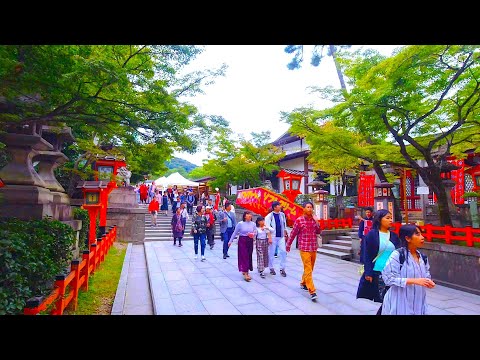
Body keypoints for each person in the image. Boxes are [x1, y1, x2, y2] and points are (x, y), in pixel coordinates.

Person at [381, 224, 435, 315]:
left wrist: (428, 282)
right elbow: (388, 279)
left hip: (419, 302)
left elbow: (426, 276)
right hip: (399, 302)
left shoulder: (423, 257)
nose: (422, 237)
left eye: (421, 234)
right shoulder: (397, 255)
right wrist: (414, 281)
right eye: (417, 234)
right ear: (408, 238)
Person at [356, 209, 401, 313]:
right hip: (378, 272)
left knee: (391, 299)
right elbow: (366, 255)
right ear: (379, 220)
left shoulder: (394, 236)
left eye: (391, 218)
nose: (391, 220)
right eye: (387, 218)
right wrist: (368, 272)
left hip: (392, 272)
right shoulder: (372, 235)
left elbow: (399, 253)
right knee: (386, 299)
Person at [286, 201, 322, 301]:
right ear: (303, 209)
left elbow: (319, 232)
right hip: (304, 247)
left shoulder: (314, 220)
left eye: (311, 207)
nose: (310, 209)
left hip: (313, 247)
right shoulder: (299, 220)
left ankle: (303, 282)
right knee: (308, 268)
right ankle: (312, 291)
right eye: (308, 207)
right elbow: (293, 233)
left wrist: (317, 222)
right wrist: (288, 244)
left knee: (310, 267)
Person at [228, 211, 257, 282]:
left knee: (249, 255)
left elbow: (255, 232)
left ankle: (246, 270)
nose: (250, 216)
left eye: (250, 215)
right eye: (248, 215)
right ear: (244, 216)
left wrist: (253, 234)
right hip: (242, 241)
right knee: (244, 256)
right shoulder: (240, 224)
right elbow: (235, 232)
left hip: (250, 241)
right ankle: (246, 273)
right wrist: (230, 241)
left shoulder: (253, 224)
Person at [264, 201, 288, 277]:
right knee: (271, 252)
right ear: (274, 207)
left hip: (281, 236)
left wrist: (285, 232)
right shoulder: (269, 216)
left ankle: (282, 268)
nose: (280, 207)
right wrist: (269, 237)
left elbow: (284, 224)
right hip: (273, 236)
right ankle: (271, 267)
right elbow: (266, 227)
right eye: (279, 206)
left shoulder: (282, 215)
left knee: (283, 252)